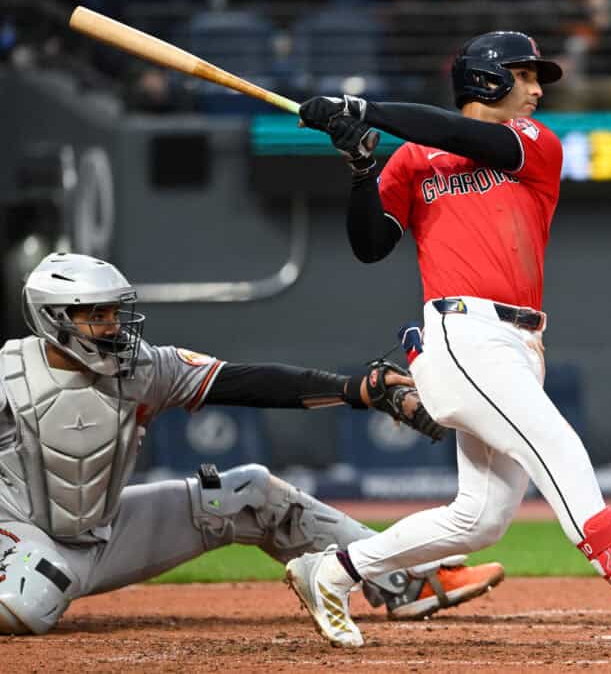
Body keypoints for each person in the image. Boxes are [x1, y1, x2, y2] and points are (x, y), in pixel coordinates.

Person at [287, 30, 611, 649]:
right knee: (560, 451)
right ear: (487, 80)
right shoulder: (414, 160)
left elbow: (459, 135)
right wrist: (362, 166)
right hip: (463, 335)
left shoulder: (532, 143)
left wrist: (365, 110)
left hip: (520, 343)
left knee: (479, 518)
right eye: (524, 75)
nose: (535, 89)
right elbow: (371, 245)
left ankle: (332, 571)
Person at [0, 252, 504, 636]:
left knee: (251, 495)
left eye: (115, 312)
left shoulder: (143, 368)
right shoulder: (10, 374)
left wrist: (356, 390)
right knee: (33, 595)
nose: (114, 326)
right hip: (21, 536)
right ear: (55, 317)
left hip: (103, 537)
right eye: (98, 315)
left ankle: (407, 580)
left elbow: (245, 382)